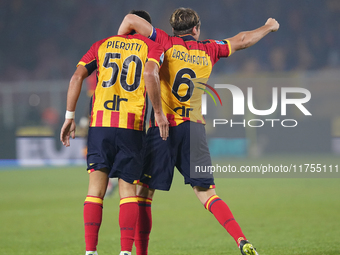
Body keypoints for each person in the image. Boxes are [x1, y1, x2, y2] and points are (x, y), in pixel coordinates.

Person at [118, 7, 279, 255]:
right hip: (194, 129)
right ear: (196, 29)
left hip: (164, 128)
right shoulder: (210, 49)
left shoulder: (164, 41)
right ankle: (241, 240)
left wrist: (120, 45)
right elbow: (244, 39)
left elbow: (130, 20)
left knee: (143, 195)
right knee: (207, 194)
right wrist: (269, 26)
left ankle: (140, 253)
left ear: (174, 28)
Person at [60, 10, 169, 255]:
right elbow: (151, 75)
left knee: (95, 189)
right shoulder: (152, 47)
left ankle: (90, 251)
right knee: (128, 189)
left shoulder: (101, 45)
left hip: (100, 124)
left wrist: (69, 116)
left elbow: (77, 76)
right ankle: (125, 252)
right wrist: (159, 113)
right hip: (131, 124)